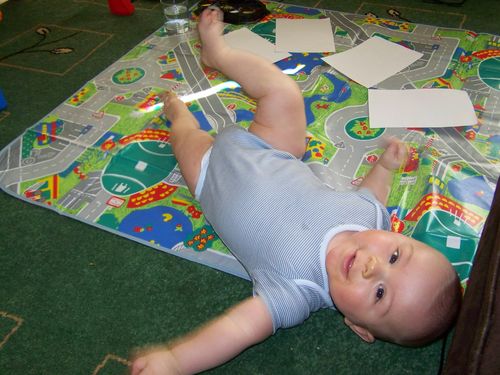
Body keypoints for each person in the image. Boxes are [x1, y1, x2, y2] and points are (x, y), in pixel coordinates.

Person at [130, 7, 461, 374]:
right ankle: (218, 54)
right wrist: (384, 167)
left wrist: (176, 361)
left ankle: (179, 115)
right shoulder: (372, 219)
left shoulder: (296, 292)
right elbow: (373, 194)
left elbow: (238, 329)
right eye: (396, 256)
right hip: (273, 149)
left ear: (358, 327)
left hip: (212, 174)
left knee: (186, 139)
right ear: (396, 236)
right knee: (285, 92)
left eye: (380, 293)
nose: (372, 266)